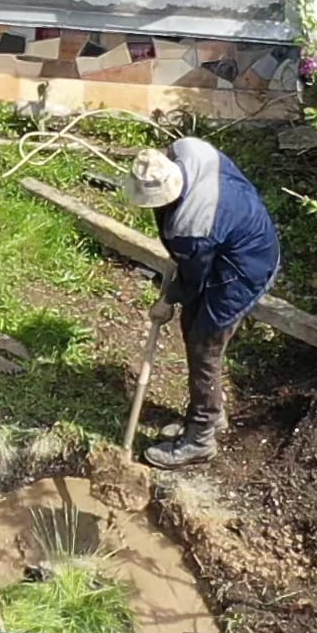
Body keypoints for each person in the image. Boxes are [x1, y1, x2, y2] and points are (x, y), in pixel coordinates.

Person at [124, 138, 279, 469]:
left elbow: (193, 281)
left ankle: (200, 439)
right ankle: (210, 413)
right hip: (239, 235)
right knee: (192, 326)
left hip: (242, 268)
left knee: (204, 343)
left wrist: (167, 300)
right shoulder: (190, 150)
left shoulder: (191, 226)